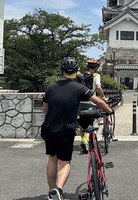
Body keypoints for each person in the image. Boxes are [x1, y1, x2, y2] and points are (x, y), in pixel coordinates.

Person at [42, 57, 113, 200]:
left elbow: (45, 108)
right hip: (66, 128)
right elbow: (98, 101)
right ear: (75, 71)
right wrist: (109, 111)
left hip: (49, 127)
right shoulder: (79, 87)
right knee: (65, 162)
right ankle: (59, 189)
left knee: (52, 159)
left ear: (62, 71)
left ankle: (51, 193)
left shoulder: (51, 87)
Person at [79, 58, 105, 154]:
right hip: (91, 101)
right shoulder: (96, 76)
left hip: (80, 102)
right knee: (91, 120)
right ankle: (91, 140)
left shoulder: (82, 76)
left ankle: (83, 140)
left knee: (82, 122)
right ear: (96, 67)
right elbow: (98, 87)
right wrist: (102, 96)